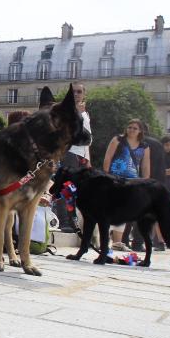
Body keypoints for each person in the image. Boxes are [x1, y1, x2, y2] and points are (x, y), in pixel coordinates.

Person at [102, 119, 151, 251]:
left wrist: (145, 183)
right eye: (129, 127)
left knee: (122, 211)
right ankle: (103, 239)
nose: (131, 130)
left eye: (135, 128)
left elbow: (145, 166)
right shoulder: (118, 140)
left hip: (132, 181)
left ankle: (117, 242)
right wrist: (106, 175)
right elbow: (108, 158)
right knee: (109, 208)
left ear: (140, 131)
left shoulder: (144, 146)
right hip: (115, 178)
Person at [55, 83, 91, 234]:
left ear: (84, 94)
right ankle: (65, 221)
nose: (76, 94)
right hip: (68, 152)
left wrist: (88, 159)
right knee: (66, 187)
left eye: (79, 92)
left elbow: (88, 138)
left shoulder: (85, 113)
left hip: (81, 154)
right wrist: (76, 112)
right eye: (74, 92)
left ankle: (75, 221)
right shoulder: (67, 111)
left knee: (79, 190)